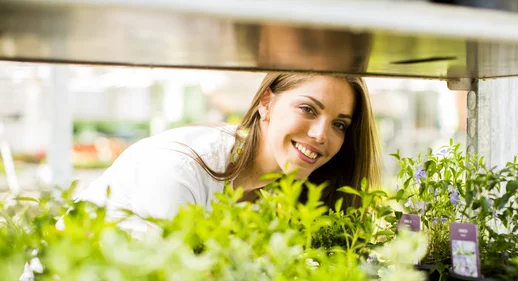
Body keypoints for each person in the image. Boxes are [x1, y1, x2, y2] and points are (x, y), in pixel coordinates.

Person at [77, 72, 381, 233]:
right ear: (266, 103)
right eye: (307, 109)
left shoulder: (277, 190)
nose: (320, 135)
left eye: (339, 124)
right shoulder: (181, 169)